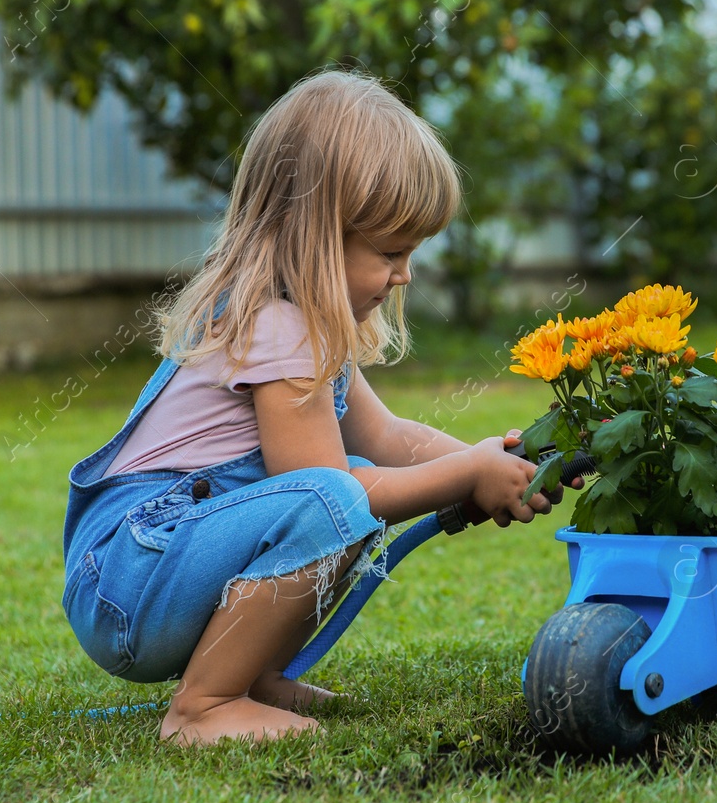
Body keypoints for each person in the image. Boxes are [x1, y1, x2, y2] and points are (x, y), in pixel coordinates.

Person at [61, 70, 572, 744]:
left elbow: (385, 436)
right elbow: (332, 491)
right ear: (313, 234)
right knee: (334, 500)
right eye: (390, 251)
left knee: (345, 487)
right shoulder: (275, 329)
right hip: (130, 578)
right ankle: (203, 707)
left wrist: (497, 461)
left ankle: (251, 675)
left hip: (152, 568)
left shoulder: (304, 327)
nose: (405, 274)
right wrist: (464, 476)